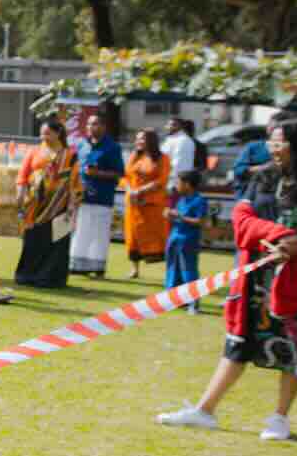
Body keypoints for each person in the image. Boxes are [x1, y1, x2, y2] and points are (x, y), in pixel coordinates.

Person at [157, 118, 297, 442]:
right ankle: (205, 410)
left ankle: (279, 418)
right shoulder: (265, 178)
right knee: (238, 345)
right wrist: (280, 235)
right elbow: (242, 217)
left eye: (280, 143)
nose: (274, 149)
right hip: (257, 277)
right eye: (271, 142)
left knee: (295, 348)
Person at [14, 118, 80, 287]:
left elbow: (74, 181)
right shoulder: (34, 151)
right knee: (33, 239)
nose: (44, 136)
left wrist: (73, 204)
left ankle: (50, 278)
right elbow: (23, 174)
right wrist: (20, 195)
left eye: (47, 133)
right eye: (42, 133)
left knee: (56, 240)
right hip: (34, 204)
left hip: (59, 205)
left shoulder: (70, 155)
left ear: (58, 134)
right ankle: (27, 275)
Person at [71, 112, 123, 276]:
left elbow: (119, 173)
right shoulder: (81, 145)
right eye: (89, 124)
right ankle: (78, 266)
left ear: (103, 127)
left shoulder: (112, 147)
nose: (91, 127)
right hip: (82, 195)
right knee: (81, 230)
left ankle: (97, 267)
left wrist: (98, 173)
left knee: (99, 233)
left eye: (95, 124)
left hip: (102, 196)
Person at [122, 127, 170, 279]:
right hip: (134, 204)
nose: (138, 141)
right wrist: (130, 190)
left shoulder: (163, 158)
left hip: (152, 205)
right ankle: (134, 269)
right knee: (133, 237)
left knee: (158, 237)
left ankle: (169, 271)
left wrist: (141, 190)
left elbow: (161, 180)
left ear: (151, 140)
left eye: (142, 138)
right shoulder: (134, 156)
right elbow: (125, 177)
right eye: (137, 139)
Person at [165, 169, 209, 313]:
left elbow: (200, 221)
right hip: (174, 238)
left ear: (188, 184)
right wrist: (170, 215)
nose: (176, 186)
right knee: (173, 269)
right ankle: (174, 299)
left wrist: (180, 216)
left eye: (178, 182)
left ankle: (193, 303)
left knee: (188, 271)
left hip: (188, 240)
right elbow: (178, 216)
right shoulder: (180, 200)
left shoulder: (199, 200)